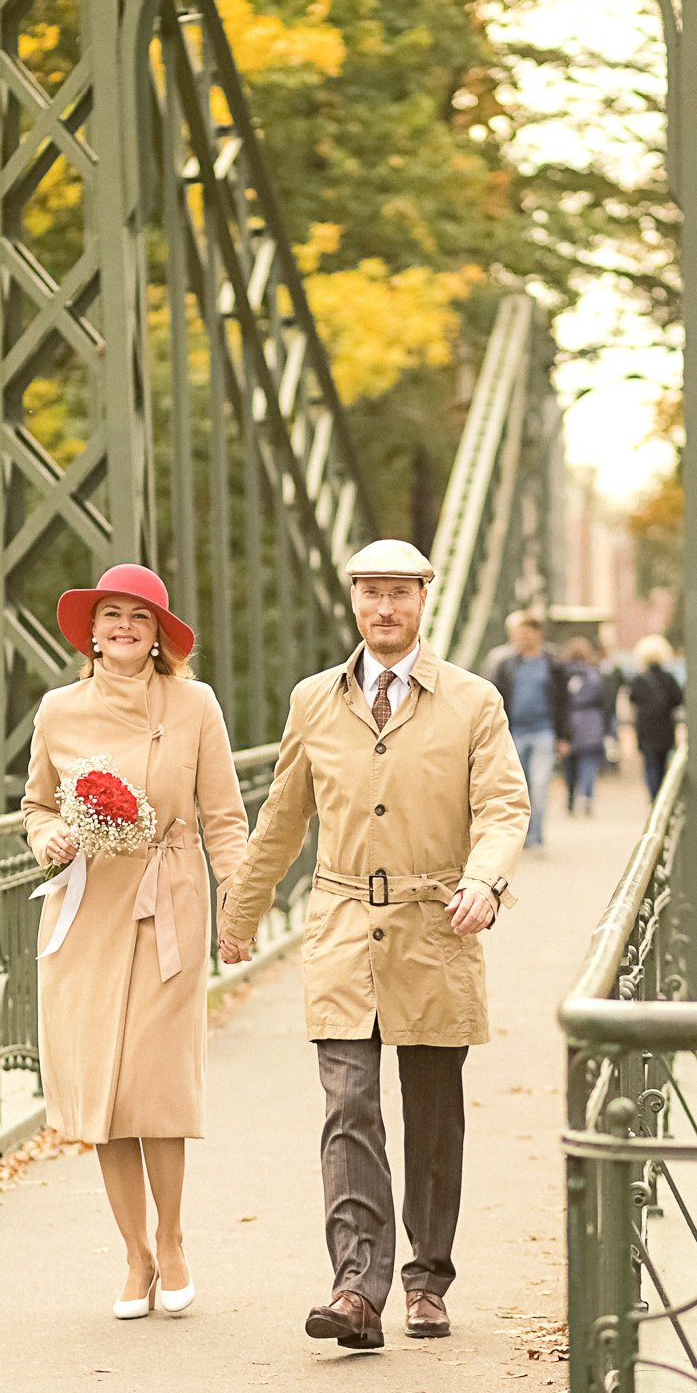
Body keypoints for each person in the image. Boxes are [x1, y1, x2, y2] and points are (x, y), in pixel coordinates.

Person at [216, 539, 530, 1351]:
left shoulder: (473, 702)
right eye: (369, 593)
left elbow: (502, 807)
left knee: (432, 1112)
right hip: (343, 929)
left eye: (398, 592)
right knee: (349, 1104)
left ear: (424, 599)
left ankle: (428, 1278)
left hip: (437, 924)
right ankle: (357, 1289)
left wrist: (486, 881)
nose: (383, 608)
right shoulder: (315, 701)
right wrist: (240, 912)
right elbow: (284, 815)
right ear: (352, 601)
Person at [23, 563, 249, 1320]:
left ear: (159, 637)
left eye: (140, 617)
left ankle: (175, 1238)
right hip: (85, 909)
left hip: (168, 899)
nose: (123, 626)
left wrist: (239, 907)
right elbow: (35, 805)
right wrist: (51, 833)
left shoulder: (193, 705)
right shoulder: (58, 710)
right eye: (110, 614)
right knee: (103, 1089)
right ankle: (135, 1256)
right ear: (90, 631)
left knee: (153, 1081)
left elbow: (224, 816)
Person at [488, 612, 563, 849]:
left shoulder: (552, 663)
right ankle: (521, 835)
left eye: (525, 633)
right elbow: (494, 697)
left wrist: (564, 736)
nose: (520, 638)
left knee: (540, 785)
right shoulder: (506, 664)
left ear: (537, 634)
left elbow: (563, 702)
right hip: (514, 733)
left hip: (544, 731)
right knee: (517, 787)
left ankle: (536, 836)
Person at [627, 635, 685, 800]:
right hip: (664, 725)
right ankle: (662, 795)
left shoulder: (639, 679)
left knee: (650, 764)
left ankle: (654, 797)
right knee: (663, 762)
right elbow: (678, 699)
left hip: (646, 726)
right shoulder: (668, 678)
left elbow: (633, 699)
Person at [559, 636, 610, 815]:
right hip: (590, 721)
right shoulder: (593, 674)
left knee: (569, 764)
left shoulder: (562, 673)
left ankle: (571, 798)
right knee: (588, 763)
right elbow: (603, 700)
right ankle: (587, 796)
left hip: (569, 720)